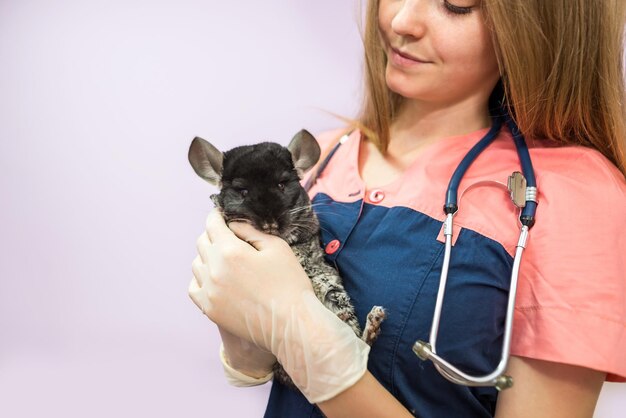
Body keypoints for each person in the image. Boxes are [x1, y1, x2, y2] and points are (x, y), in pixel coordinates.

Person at [188, 0, 626, 416]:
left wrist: (317, 355)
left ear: (540, 21)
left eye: (456, 4)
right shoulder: (319, 158)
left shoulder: (574, 196)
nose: (401, 20)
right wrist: (245, 342)